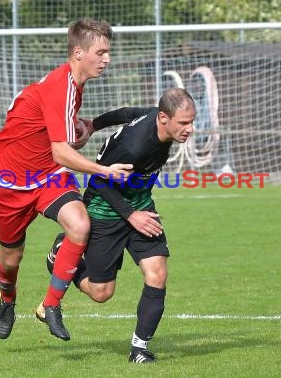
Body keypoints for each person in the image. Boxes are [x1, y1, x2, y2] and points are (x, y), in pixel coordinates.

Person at [0, 18, 133, 342]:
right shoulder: (62, 85)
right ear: (79, 52)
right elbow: (62, 152)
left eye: (108, 52)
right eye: (101, 52)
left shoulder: (73, 84)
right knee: (11, 260)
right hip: (8, 182)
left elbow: (54, 138)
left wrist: (85, 126)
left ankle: (50, 306)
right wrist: (104, 171)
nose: (107, 59)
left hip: (47, 175)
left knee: (79, 225)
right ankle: (7, 299)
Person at [41, 88, 197, 363]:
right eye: (184, 123)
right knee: (102, 293)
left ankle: (139, 348)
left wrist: (94, 124)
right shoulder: (135, 145)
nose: (190, 129)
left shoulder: (154, 118)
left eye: (191, 121)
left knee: (157, 273)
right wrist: (131, 215)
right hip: (106, 210)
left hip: (139, 205)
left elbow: (127, 113)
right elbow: (99, 181)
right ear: (163, 118)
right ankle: (60, 255)